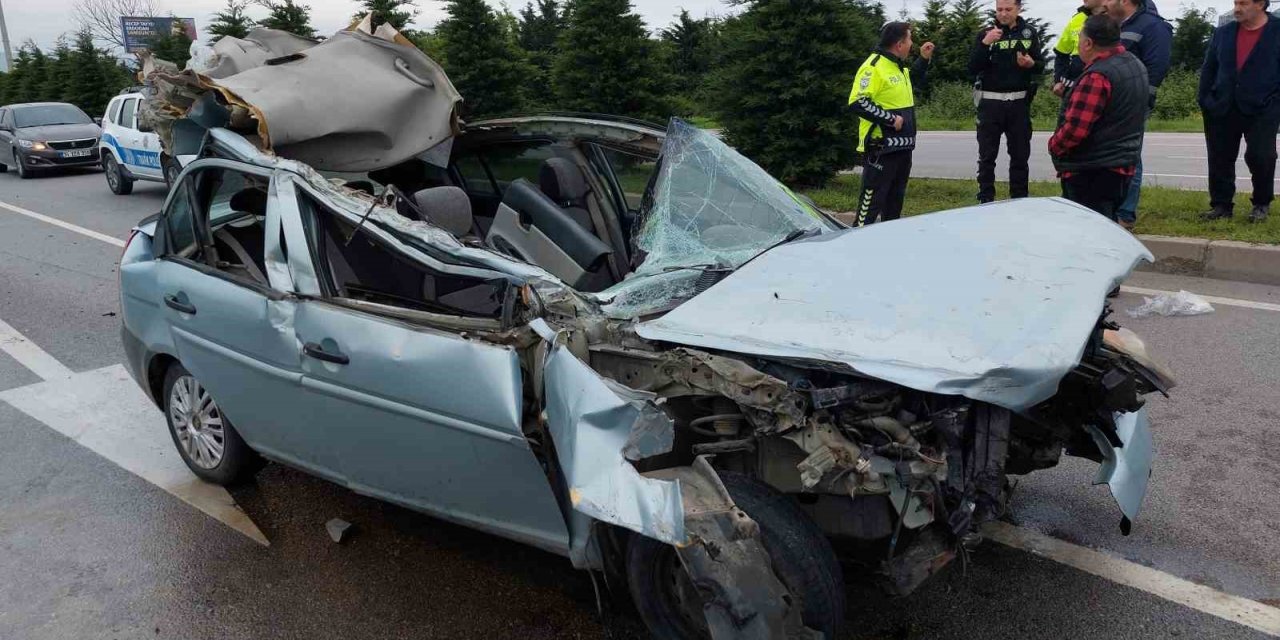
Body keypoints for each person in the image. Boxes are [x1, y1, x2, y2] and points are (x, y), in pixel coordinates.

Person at [1049, 15, 1149, 222]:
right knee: (1106, 228)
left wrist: (1054, 146)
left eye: (1079, 38)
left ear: (1088, 43)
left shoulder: (1097, 76)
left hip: (1092, 172)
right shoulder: (1135, 64)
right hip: (1121, 166)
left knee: (1086, 233)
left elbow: (1075, 131)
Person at [1198, 0, 1280, 223]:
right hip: (1222, 105)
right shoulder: (1223, 32)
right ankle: (1221, 205)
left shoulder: (1276, 31)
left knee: (1261, 155)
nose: (1236, 8)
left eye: (1243, 3)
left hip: (1263, 107)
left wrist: (1275, 104)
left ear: (1260, 4)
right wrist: (1204, 99)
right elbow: (1209, 68)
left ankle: (1261, 203)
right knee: (1220, 157)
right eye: (1235, 2)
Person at [848, 23, 934, 227]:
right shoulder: (873, 66)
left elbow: (911, 82)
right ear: (899, 44)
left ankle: (889, 244)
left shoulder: (897, 66)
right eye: (909, 39)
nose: (912, 44)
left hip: (902, 149)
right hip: (881, 150)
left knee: (894, 209)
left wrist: (923, 59)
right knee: (868, 211)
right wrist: (890, 119)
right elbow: (857, 102)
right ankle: (855, 243)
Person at [1103, 0, 1173, 229]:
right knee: (1109, 156)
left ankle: (1125, 215)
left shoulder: (1153, 26)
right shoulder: (1116, 25)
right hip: (1108, 103)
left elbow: (1156, 68)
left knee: (1129, 155)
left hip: (1132, 104)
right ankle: (1109, 211)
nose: (1104, 2)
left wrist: (1140, 100)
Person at [968, 0, 1045, 203]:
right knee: (987, 156)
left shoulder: (1029, 33)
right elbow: (972, 67)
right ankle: (985, 200)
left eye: (1008, 9)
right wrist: (985, 44)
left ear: (1018, 9)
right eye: (999, 9)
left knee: (1020, 156)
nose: (1003, 14)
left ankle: (1019, 200)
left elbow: (1040, 66)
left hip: (1019, 104)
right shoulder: (986, 33)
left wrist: (1030, 64)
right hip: (990, 103)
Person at [1052, 0, 1106, 100]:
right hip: (1072, 91)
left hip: (1103, 90)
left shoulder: (1116, 18)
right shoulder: (1077, 19)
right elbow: (1061, 53)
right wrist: (1058, 80)